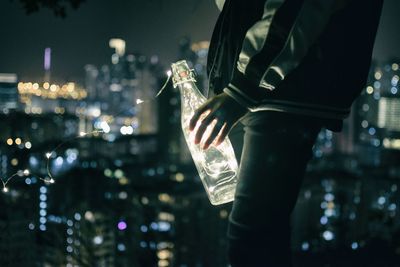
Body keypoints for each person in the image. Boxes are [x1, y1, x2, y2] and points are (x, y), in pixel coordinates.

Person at [188, 0, 384, 266]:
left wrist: (242, 88)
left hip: (281, 87)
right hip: (274, 87)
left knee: (252, 239)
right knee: (260, 235)